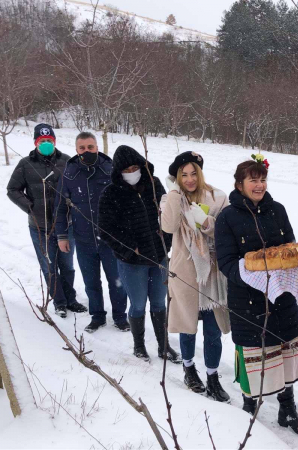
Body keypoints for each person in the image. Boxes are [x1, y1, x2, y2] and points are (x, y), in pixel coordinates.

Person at [214, 154, 298, 435]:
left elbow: (290, 246)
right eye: (253, 180)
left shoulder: (277, 209)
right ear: (239, 184)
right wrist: (254, 273)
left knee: (284, 347)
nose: (259, 185)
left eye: (263, 179)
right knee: (254, 353)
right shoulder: (227, 218)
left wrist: (283, 268)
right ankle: (249, 405)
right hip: (248, 300)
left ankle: (287, 406)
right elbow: (227, 263)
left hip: (281, 296)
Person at [97, 145, 180, 363]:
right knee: (138, 305)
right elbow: (105, 229)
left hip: (159, 257)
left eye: (135, 167)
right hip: (132, 262)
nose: (132, 172)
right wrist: (128, 247)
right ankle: (139, 346)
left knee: (160, 303)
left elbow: (169, 216)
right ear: (119, 172)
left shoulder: (155, 185)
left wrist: (167, 241)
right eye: (126, 169)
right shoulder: (111, 193)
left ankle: (163, 346)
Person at [160, 151, 231, 401]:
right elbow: (168, 227)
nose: (189, 179)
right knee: (187, 326)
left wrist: (206, 222)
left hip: (212, 273)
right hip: (186, 272)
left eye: (193, 173)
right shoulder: (171, 199)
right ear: (177, 177)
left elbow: (225, 231)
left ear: (200, 173)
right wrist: (174, 194)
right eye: (183, 175)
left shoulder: (218, 197)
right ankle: (189, 369)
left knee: (212, 330)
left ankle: (212, 376)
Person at [7, 123, 86, 318]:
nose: (46, 144)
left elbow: (78, 187)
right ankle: (59, 301)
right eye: (42, 141)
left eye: (49, 141)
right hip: (39, 227)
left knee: (67, 265)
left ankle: (71, 299)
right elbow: (12, 190)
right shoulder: (25, 164)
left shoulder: (67, 161)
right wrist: (30, 207)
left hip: (65, 227)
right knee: (49, 265)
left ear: (54, 141)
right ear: (36, 142)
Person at [54, 132, 128, 333]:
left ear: (97, 147)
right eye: (82, 148)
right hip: (84, 239)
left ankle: (121, 317)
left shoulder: (111, 170)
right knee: (91, 282)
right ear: (76, 150)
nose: (86, 151)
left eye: (90, 147)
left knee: (117, 281)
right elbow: (60, 207)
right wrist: (62, 236)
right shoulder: (69, 173)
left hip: (111, 240)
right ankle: (97, 317)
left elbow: (125, 204)